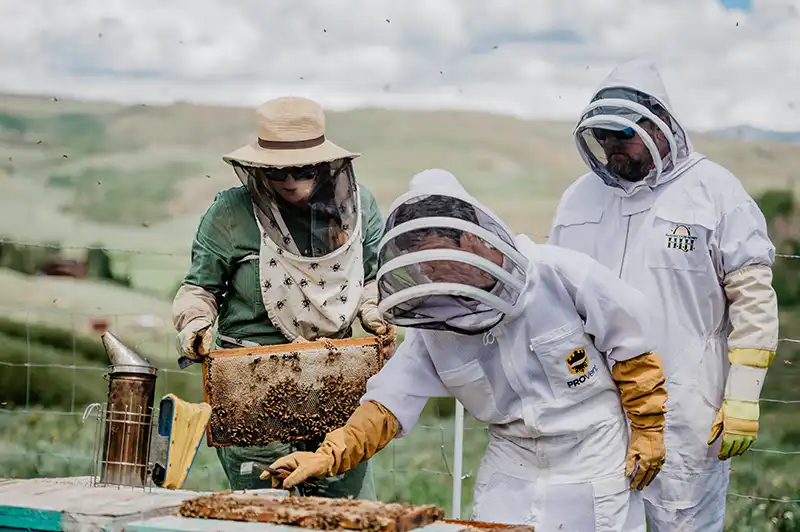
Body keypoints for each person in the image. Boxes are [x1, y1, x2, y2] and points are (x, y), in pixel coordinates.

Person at [260, 168, 668, 531]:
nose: (434, 273)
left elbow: (632, 347)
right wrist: (330, 454)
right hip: (511, 460)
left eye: (442, 258)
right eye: (424, 265)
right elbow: (389, 401)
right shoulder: (434, 318)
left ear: (473, 240)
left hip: (593, 455)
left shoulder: (561, 274)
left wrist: (648, 429)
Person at [547, 60, 780, 531]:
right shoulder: (578, 199)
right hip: (596, 408)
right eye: (605, 137)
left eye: (623, 136)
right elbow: (554, 298)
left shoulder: (714, 192)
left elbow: (753, 297)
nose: (612, 148)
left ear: (659, 126)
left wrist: (744, 396)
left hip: (687, 407)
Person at [171, 96, 396, 498]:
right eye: (276, 172)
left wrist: (374, 310)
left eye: (301, 170)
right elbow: (199, 290)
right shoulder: (229, 212)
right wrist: (195, 325)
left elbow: (372, 278)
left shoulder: (361, 207)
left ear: (325, 165)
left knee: (346, 516)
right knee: (266, 516)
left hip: (335, 385)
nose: (289, 181)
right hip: (253, 392)